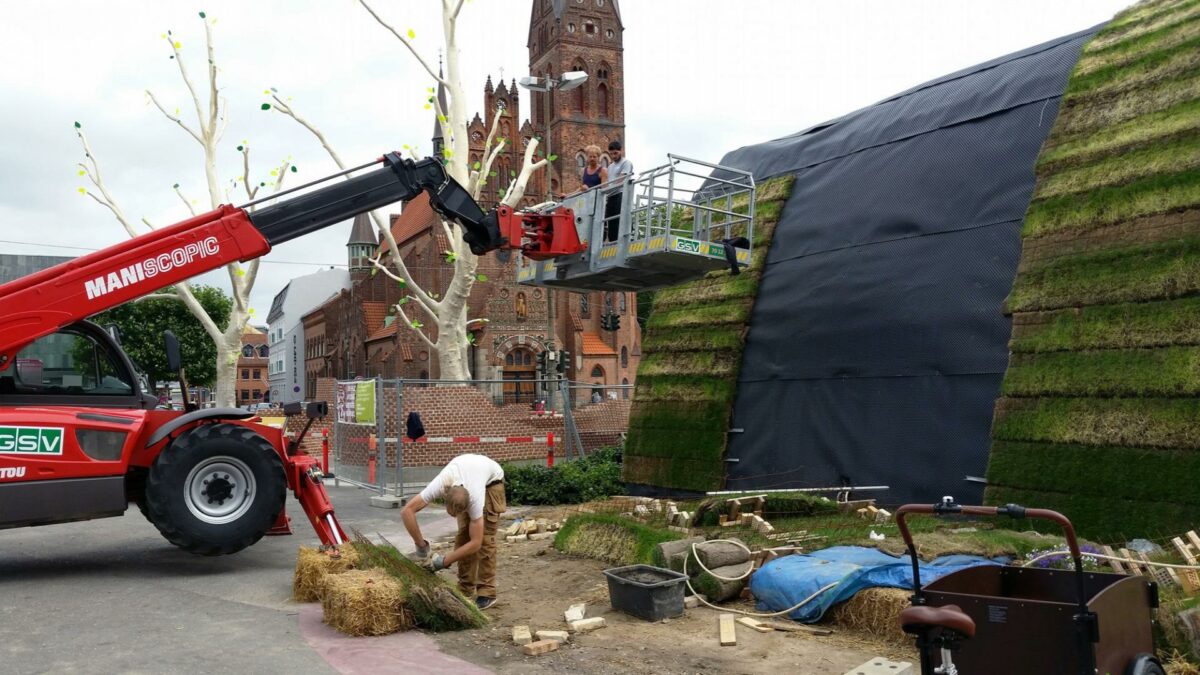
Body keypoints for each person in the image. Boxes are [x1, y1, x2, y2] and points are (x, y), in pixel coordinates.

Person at [401, 453, 507, 610]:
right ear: (445, 498)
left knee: (485, 540)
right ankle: (465, 589)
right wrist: (421, 547)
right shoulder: (442, 483)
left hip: (491, 485)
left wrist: (442, 561)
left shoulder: (475, 499)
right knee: (463, 539)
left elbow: (476, 543)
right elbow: (407, 511)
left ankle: (487, 592)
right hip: (467, 474)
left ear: (468, 504)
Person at [604, 140, 634, 242]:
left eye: (615, 153)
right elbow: (608, 182)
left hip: (621, 194)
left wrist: (607, 190)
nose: (613, 156)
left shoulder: (626, 163)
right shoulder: (610, 167)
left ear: (621, 151)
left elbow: (620, 180)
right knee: (610, 220)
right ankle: (612, 242)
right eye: (611, 154)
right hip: (611, 196)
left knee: (620, 219)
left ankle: (626, 240)